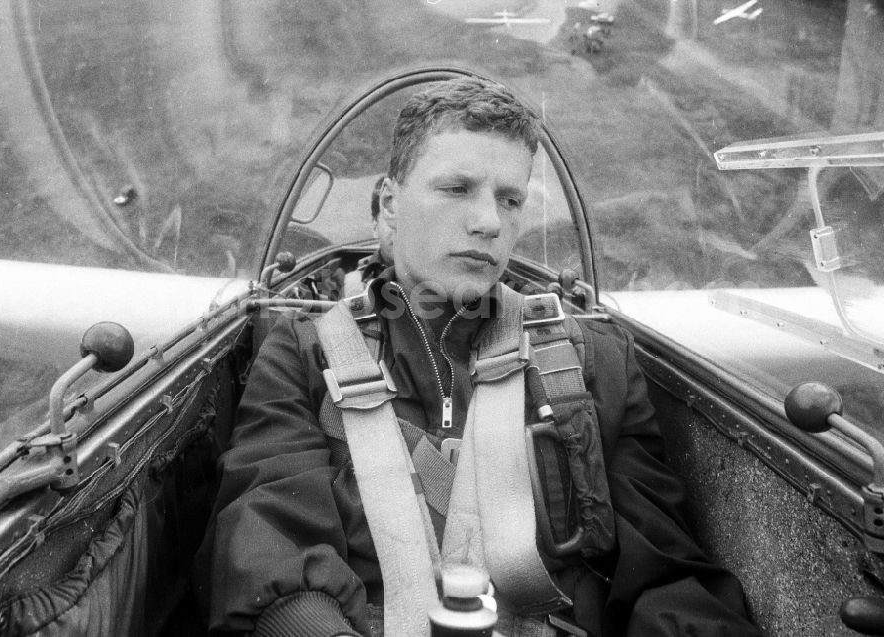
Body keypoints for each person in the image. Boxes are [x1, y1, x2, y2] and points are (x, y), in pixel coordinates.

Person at [194, 77, 761, 637]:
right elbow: (268, 545)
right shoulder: (304, 352)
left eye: (509, 199)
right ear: (390, 205)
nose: (489, 221)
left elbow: (665, 580)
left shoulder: (595, 361)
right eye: (457, 188)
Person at [343, 175, 393, 296]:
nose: (401, 229)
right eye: (390, 219)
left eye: (410, 220)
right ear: (375, 226)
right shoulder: (354, 284)